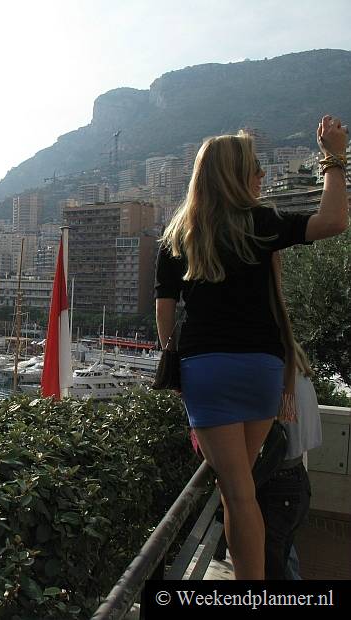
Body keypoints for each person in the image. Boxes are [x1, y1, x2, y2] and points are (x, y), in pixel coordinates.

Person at [154, 115, 347, 579]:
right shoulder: (262, 223)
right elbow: (335, 220)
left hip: (207, 369)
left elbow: (164, 314)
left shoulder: (179, 234)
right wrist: (335, 158)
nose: (262, 172)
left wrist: (173, 358)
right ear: (237, 174)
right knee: (242, 489)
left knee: (236, 492)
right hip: (262, 369)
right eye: (255, 166)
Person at [254, 253, 323, 580]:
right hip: (297, 484)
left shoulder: (272, 370)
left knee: (275, 570)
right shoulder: (295, 364)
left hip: (278, 486)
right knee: (284, 560)